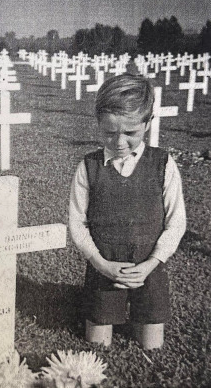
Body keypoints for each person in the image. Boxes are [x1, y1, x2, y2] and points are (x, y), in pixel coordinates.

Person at [69, 74, 186, 350]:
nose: (119, 142)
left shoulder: (163, 164)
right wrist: (101, 264)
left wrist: (152, 263)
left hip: (150, 267)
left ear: (147, 123)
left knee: (152, 346)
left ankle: (143, 313)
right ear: (98, 122)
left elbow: (176, 222)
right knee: (98, 344)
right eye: (109, 132)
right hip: (103, 266)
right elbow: (77, 223)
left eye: (130, 133)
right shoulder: (89, 167)